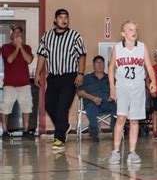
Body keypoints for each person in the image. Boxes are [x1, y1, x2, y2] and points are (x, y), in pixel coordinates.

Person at [35, 9, 86, 150]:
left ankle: (59, 138)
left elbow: (82, 55)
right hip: (53, 77)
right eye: (61, 17)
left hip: (69, 77)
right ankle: (64, 126)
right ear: (55, 20)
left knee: (62, 107)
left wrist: (80, 73)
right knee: (49, 106)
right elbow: (41, 56)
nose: (64, 20)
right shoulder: (47, 36)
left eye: (66, 18)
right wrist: (38, 73)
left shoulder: (75, 36)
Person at [108, 21, 156, 165]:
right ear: (123, 33)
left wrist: (153, 81)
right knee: (121, 118)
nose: (133, 31)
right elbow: (111, 69)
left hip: (138, 86)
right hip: (122, 86)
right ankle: (116, 151)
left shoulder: (141, 47)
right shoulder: (117, 48)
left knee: (134, 120)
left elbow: (149, 66)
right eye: (130, 29)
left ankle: (132, 152)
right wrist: (112, 87)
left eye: (135, 29)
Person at [1, 26, 34, 139]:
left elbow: (29, 60)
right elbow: (10, 60)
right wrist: (16, 48)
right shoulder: (5, 47)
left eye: (19, 33)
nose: (17, 35)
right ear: (11, 35)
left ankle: (25, 131)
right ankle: (5, 131)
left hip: (24, 84)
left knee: (27, 107)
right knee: (5, 107)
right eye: (15, 33)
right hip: (9, 85)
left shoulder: (27, 47)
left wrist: (21, 48)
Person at [77, 55, 117, 142]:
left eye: (101, 62)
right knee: (91, 107)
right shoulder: (86, 78)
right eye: (97, 62)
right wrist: (93, 98)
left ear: (104, 65)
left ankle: (116, 131)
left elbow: (117, 89)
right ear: (93, 65)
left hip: (107, 102)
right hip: (92, 102)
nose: (99, 64)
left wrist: (113, 96)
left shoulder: (110, 78)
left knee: (116, 107)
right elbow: (80, 92)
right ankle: (94, 131)